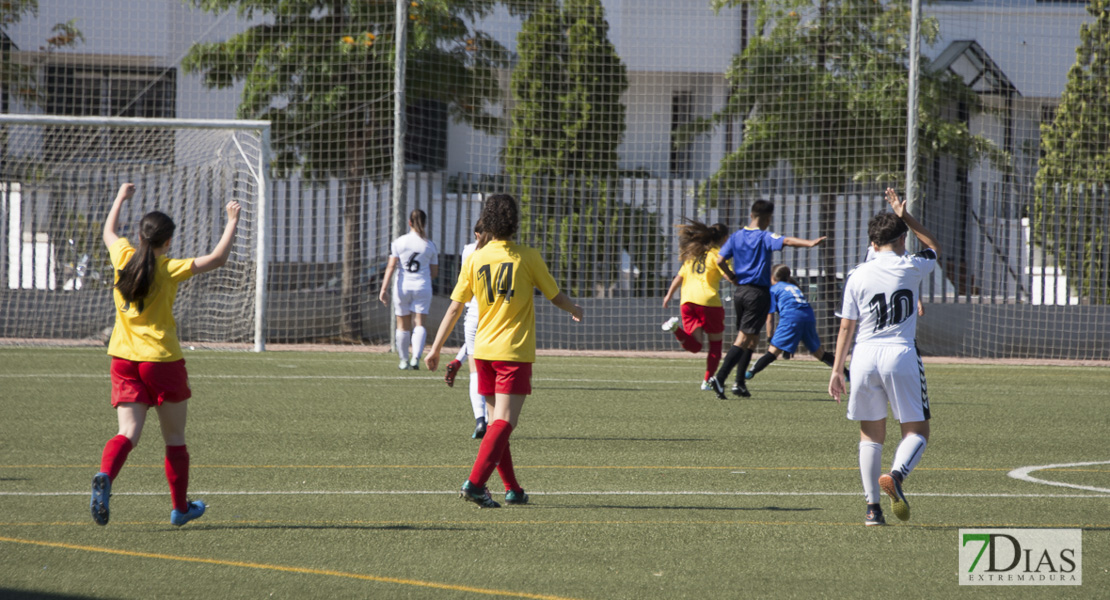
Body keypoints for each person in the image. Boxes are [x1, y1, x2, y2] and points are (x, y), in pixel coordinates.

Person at [90, 182, 241, 527]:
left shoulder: (124, 257)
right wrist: (231, 220)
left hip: (124, 359)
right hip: (161, 360)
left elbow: (109, 231)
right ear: (167, 241)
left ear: (141, 236)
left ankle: (105, 476)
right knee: (174, 439)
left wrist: (120, 198)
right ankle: (179, 508)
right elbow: (217, 259)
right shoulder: (168, 268)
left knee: (127, 433)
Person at [425, 194, 583, 508]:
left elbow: (455, 307)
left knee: (498, 420)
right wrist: (575, 309)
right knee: (504, 422)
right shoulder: (527, 256)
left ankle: (512, 488)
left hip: (481, 351)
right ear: (514, 222)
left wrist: (436, 348)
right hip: (512, 351)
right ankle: (475, 483)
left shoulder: (475, 258)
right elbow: (555, 296)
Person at [828, 188, 939, 527]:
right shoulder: (912, 266)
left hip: (863, 357)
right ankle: (897, 474)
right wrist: (904, 215)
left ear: (872, 244)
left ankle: (872, 510)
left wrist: (836, 371)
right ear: (902, 239)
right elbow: (932, 245)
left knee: (870, 435)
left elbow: (846, 327)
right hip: (900, 354)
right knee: (917, 432)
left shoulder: (857, 274)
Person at [706, 200, 826, 399]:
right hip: (757, 293)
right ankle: (720, 378)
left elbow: (720, 260)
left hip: (741, 293)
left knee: (752, 338)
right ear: (766, 217)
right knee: (744, 338)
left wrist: (733, 276)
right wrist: (810, 243)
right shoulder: (764, 236)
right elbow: (786, 241)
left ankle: (739, 384)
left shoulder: (736, 236)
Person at [660, 220, 735, 390]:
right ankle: (707, 381)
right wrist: (742, 281)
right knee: (715, 345)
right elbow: (728, 276)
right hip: (709, 302)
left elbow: (679, 277)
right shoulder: (719, 255)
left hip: (687, 301)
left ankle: (674, 328)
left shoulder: (693, 254)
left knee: (695, 346)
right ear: (724, 238)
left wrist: (668, 295)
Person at [744, 264, 846, 383]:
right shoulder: (793, 287)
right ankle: (846, 372)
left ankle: (750, 372)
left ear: (772, 277)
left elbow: (770, 318)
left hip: (791, 317)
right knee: (819, 353)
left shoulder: (773, 289)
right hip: (808, 316)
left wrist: (769, 336)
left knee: (773, 351)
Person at [443, 220, 490, 439]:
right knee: (494, 368)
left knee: (475, 368)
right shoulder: (500, 251)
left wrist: (435, 349)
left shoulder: (468, 251)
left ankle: (480, 420)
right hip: (494, 312)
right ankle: (492, 420)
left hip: (472, 310)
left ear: (475, 233)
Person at [379, 209, 439, 370]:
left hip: (402, 287)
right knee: (419, 323)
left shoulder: (399, 242)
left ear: (409, 222)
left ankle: (403, 360)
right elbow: (434, 273)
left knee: (402, 324)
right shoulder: (429, 245)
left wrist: (383, 289)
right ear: (425, 223)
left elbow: (391, 266)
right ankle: (416, 359)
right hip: (422, 287)